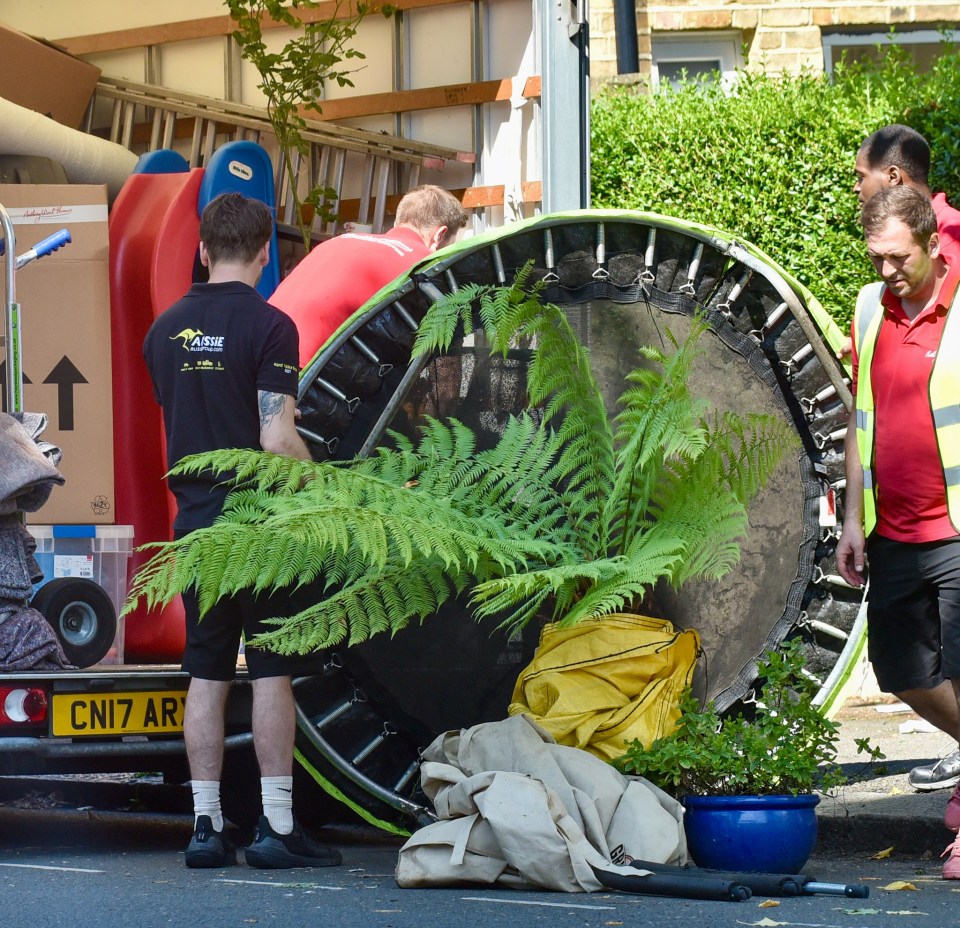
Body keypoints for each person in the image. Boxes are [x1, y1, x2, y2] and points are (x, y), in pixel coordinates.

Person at [143, 193, 340, 871]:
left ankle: (204, 826)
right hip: (259, 532)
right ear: (264, 254)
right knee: (270, 670)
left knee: (204, 670)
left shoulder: (162, 331)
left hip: (195, 528)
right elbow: (276, 438)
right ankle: (276, 827)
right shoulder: (271, 325)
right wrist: (327, 493)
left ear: (202, 250)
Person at [836, 185, 960, 878]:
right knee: (904, 672)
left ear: (932, 246)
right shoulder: (869, 306)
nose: (886, 271)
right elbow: (861, 417)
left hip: (957, 529)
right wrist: (852, 519)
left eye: (897, 258)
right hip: (893, 530)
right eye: (876, 257)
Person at [269, 184, 469, 367]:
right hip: (297, 369)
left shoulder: (341, 240)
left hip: (254, 349)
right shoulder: (422, 262)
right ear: (439, 235)